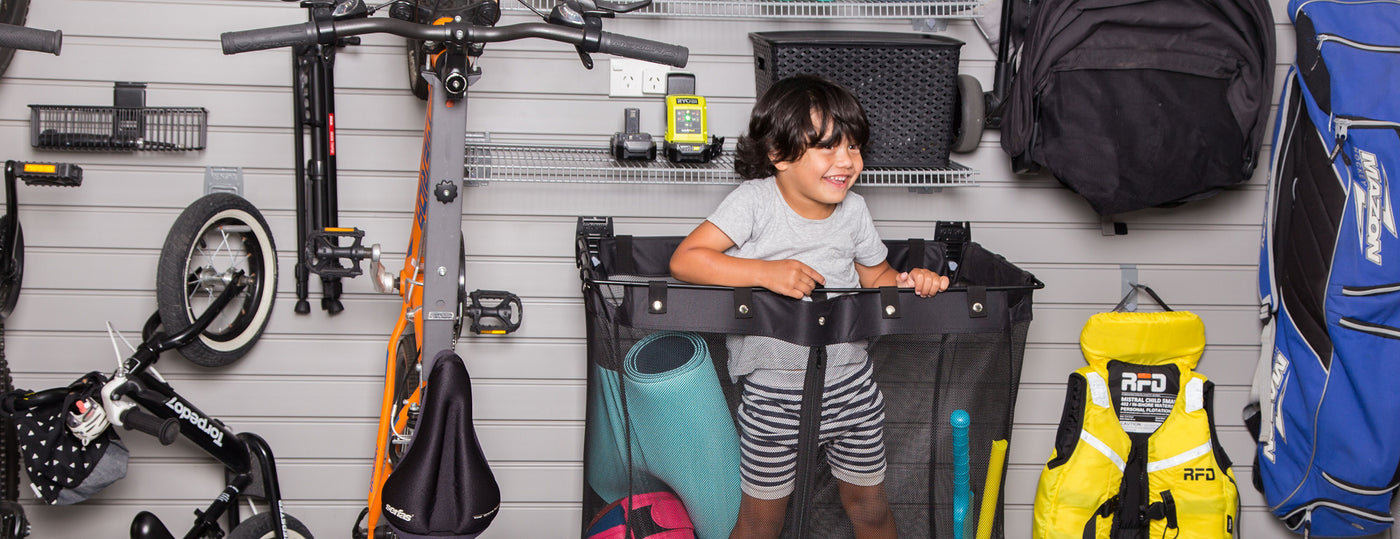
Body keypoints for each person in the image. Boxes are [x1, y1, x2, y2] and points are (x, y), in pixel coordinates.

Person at [669, 74, 948, 539]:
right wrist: (765, 272)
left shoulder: (854, 211)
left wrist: (910, 280)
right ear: (778, 156)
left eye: (854, 147)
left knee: (871, 510)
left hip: (852, 389)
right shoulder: (755, 203)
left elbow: (876, 279)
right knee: (761, 522)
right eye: (828, 148)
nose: (847, 161)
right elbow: (686, 260)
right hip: (774, 396)